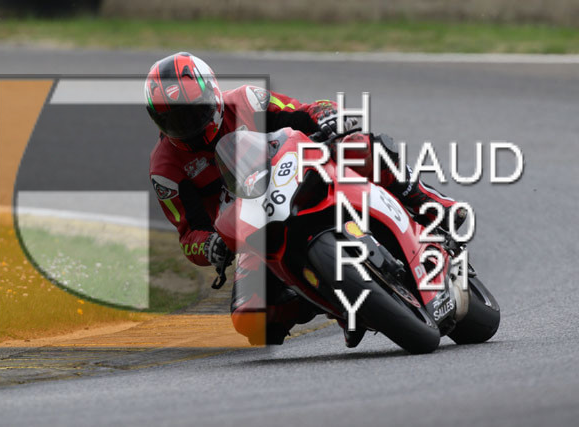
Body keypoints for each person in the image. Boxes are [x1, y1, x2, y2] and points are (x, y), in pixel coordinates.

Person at [145, 52, 463, 347]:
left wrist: (327, 116)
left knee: (355, 144)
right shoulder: (165, 170)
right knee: (251, 320)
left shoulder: (246, 100)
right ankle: (334, 303)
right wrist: (210, 246)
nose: (190, 127)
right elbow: (189, 234)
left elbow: (302, 110)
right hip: (252, 229)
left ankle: (428, 201)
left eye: (195, 112)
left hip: (295, 175)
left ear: (213, 93)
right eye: (175, 121)